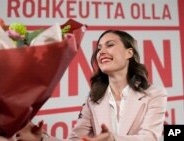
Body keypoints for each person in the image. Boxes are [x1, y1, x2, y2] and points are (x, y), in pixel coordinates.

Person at [15, 30, 168, 141]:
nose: (101, 52)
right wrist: (42, 139)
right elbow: (75, 140)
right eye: (99, 48)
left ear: (129, 53)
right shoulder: (93, 99)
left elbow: (149, 138)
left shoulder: (154, 94)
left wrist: (113, 139)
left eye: (110, 45)